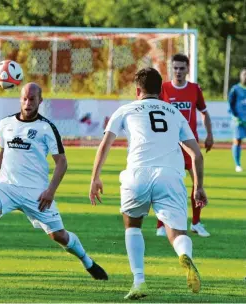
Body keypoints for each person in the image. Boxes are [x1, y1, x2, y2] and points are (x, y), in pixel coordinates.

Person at [0, 83, 108, 281]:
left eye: (32, 99)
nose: (28, 103)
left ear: (40, 101)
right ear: (20, 99)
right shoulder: (6, 124)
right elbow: (3, 153)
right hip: (6, 187)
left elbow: (62, 162)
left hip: (36, 193)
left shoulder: (46, 128)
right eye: (25, 99)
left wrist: (50, 191)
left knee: (59, 236)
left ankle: (87, 261)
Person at [90, 67, 206, 300]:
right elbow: (197, 155)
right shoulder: (174, 112)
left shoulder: (126, 109)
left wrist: (95, 178)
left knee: (132, 226)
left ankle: (139, 281)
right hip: (170, 176)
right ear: (161, 90)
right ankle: (184, 255)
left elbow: (105, 145)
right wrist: (199, 187)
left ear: (137, 90)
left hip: (137, 175)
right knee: (177, 232)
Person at [156, 53, 213, 238]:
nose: (178, 71)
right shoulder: (163, 88)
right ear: (171, 69)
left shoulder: (195, 89)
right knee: (165, 183)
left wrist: (210, 134)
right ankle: (161, 225)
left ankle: (196, 222)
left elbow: (204, 112)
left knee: (198, 183)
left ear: (188, 69)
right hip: (169, 144)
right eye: (175, 68)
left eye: (182, 68)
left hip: (190, 144)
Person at [228, 68, 246, 172]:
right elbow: (230, 104)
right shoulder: (235, 89)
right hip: (238, 121)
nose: (245, 76)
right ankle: (238, 165)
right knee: (237, 141)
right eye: (244, 74)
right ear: (240, 76)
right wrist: (235, 117)